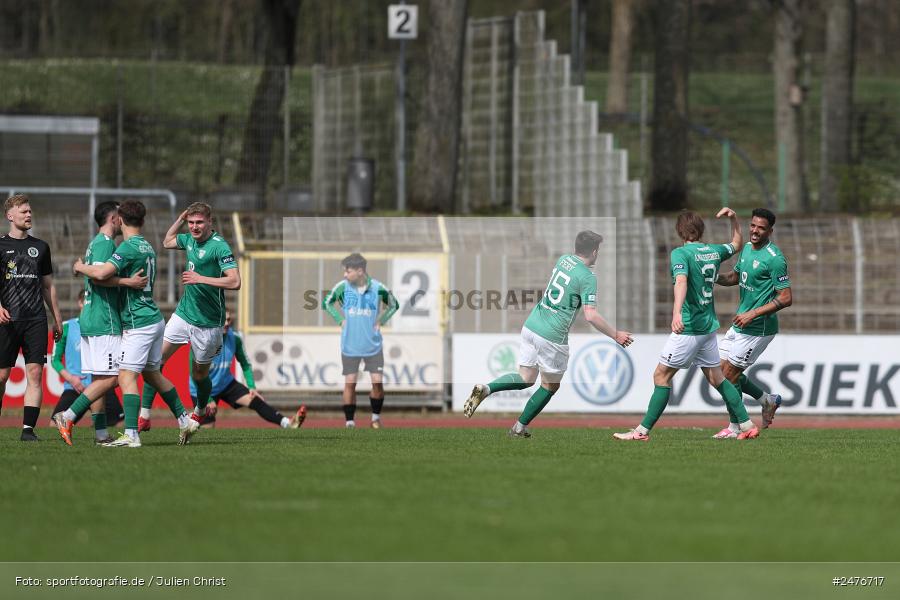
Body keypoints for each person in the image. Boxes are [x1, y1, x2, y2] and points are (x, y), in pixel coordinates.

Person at [463, 230, 634, 437]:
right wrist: (616, 335)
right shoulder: (588, 277)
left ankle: (487, 388)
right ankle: (518, 427)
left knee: (525, 378)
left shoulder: (564, 260)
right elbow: (590, 315)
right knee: (550, 385)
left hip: (532, 325)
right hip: (552, 335)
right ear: (595, 251)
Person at [614, 208, 760, 441]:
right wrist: (733, 219)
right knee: (717, 379)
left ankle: (641, 432)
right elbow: (736, 243)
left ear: (679, 232)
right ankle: (746, 424)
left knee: (661, 376)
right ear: (700, 230)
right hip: (708, 328)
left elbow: (681, 281)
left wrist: (676, 313)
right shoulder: (713, 251)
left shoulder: (680, 254)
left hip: (690, 328)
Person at [72, 200, 197, 447]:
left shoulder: (127, 248)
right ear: (143, 220)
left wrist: (79, 266)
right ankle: (185, 419)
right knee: (152, 374)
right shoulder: (147, 246)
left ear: (119, 219)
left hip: (138, 321)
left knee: (126, 376)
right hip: (155, 318)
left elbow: (100, 274)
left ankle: (131, 434)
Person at [51, 201, 147, 445]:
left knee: (98, 379)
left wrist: (81, 267)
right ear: (114, 218)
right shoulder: (106, 245)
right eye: (120, 216)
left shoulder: (94, 243)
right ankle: (69, 415)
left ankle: (101, 434)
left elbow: (93, 273)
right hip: (105, 319)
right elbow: (101, 277)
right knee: (116, 377)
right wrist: (128, 282)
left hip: (90, 318)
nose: (123, 220)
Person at [139, 202, 240, 431]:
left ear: (209, 222)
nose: (194, 227)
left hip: (209, 323)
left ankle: (201, 409)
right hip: (184, 315)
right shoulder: (189, 239)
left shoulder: (219, 247)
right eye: (191, 222)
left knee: (199, 375)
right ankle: (144, 416)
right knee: (153, 361)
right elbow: (167, 241)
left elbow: (235, 281)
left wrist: (200, 278)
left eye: (199, 222)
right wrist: (180, 219)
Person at [712, 207, 792, 438]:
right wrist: (712, 276)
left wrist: (753, 313)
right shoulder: (747, 248)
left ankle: (735, 427)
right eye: (753, 226)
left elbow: (786, 297)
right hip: (741, 324)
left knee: (728, 376)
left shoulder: (775, 259)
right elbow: (736, 277)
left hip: (758, 328)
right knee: (717, 372)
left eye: (761, 228)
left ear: (770, 231)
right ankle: (767, 400)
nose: (755, 231)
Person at [0, 194, 63, 441]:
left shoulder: (41, 247)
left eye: (29, 211)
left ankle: (28, 430)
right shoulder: (0, 246)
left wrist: (57, 319)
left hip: (36, 319)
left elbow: (48, 286)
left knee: (35, 373)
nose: (29, 215)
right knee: (2, 376)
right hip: (7, 320)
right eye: (24, 211)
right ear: (10, 216)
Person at [190, 308, 306, 429]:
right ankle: (189, 419)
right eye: (222, 320)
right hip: (202, 389)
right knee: (208, 428)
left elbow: (245, 363)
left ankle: (288, 423)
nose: (226, 323)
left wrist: (251, 386)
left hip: (225, 383)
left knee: (255, 399)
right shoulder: (202, 341)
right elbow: (195, 376)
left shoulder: (234, 338)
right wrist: (208, 399)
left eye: (228, 319)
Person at [323, 253, 399, 429]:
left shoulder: (378, 288)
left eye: (348, 271)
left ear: (360, 271)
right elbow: (327, 302)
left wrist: (381, 320)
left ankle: (375, 418)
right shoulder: (343, 287)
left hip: (373, 345)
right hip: (350, 345)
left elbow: (394, 305)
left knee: (377, 383)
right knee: (350, 383)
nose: (345, 275)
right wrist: (339, 320)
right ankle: (350, 422)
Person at [50, 289, 124, 440]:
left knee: (119, 421)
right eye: (86, 301)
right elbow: (55, 359)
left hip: (99, 383)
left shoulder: (104, 325)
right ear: (80, 303)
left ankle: (101, 434)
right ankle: (70, 419)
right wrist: (71, 379)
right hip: (75, 387)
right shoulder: (68, 327)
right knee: (52, 426)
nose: (89, 305)